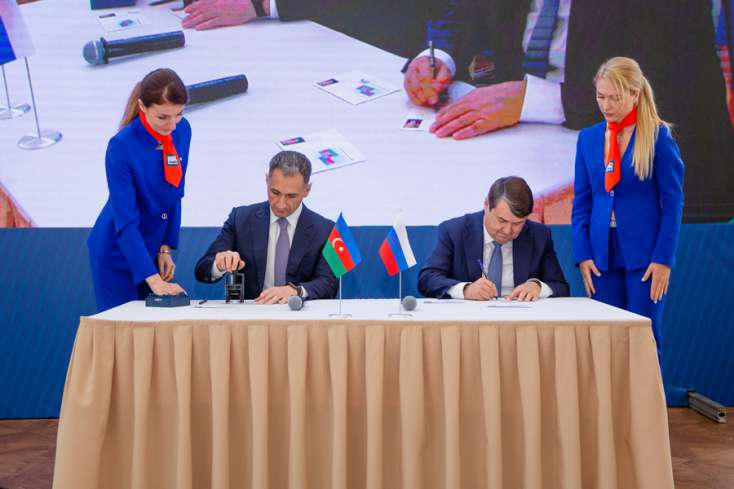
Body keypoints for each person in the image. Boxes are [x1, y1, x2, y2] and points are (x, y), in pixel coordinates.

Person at [404, 0, 733, 222]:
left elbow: (668, 87)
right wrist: (439, 57)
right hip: (519, 144)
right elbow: (464, 12)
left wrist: (538, 100)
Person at [572, 57, 684, 357]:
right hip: (601, 254)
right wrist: (583, 254)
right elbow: (582, 202)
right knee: (606, 344)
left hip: (645, 255)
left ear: (635, 93)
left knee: (642, 341)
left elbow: (673, 203)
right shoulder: (588, 138)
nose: (606, 105)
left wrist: (664, 259)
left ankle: (648, 393)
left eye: (615, 97)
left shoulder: (658, 136)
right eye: (601, 96)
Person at [88, 68, 191, 312]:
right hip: (116, 255)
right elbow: (125, 220)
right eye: (163, 117)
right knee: (121, 331)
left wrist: (165, 247)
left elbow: (175, 193)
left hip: (152, 248)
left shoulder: (183, 130)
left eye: (178, 114)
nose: (172, 125)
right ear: (143, 106)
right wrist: (153, 279)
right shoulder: (121, 146)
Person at [194, 151, 338, 303]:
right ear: (267, 180)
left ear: (307, 190)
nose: (281, 204)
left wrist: (296, 291)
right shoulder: (240, 219)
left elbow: (329, 283)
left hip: (299, 312)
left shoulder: (326, 230)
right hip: (251, 313)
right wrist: (219, 264)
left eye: (291, 196)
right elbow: (202, 270)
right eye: (275, 192)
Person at [418, 176, 569, 300]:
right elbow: (427, 279)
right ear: (486, 205)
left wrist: (538, 286)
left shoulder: (539, 235)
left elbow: (561, 287)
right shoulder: (455, 231)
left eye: (517, 223)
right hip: (470, 320)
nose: (508, 231)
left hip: (521, 319)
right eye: (502, 220)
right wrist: (466, 290)